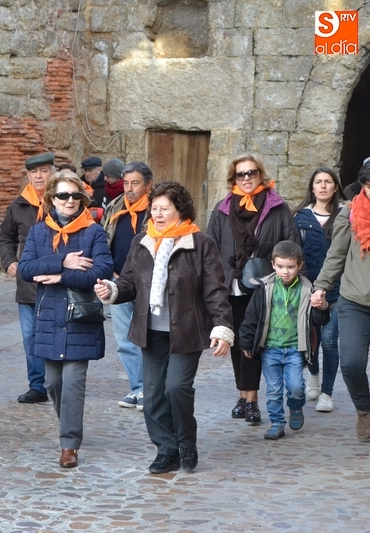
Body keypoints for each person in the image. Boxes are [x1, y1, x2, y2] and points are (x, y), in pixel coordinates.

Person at [95, 181, 233, 473]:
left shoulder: (200, 243)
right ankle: (166, 449)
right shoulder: (142, 242)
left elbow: (215, 291)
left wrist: (222, 326)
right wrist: (112, 289)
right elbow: (129, 282)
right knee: (153, 394)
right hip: (150, 331)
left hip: (187, 331)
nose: (157, 215)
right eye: (154, 209)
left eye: (164, 209)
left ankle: (186, 443)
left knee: (176, 388)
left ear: (180, 210)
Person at [19, 173, 113, 468]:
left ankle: (69, 444)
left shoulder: (93, 232)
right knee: (52, 382)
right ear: (51, 199)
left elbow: (102, 270)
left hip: (80, 318)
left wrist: (61, 276)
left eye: (75, 196)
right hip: (48, 316)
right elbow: (26, 269)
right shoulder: (38, 232)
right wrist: (62, 260)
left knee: (72, 383)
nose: (69, 201)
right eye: (63, 195)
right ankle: (69, 424)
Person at [206, 153, 299, 426]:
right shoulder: (223, 208)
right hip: (231, 285)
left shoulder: (277, 207)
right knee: (236, 342)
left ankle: (252, 400)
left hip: (264, 286)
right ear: (233, 179)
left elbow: (292, 244)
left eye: (251, 173)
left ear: (260, 175)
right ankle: (242, 395)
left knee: (254, 342)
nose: (246, 178)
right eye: (241, 174)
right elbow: (211, 247)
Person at [240, 241, 330, 440]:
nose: (285, 272)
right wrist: (246, 341)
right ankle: (277, 423)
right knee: (273, 390)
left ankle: (296, 406)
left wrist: (322, 306)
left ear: (299, 265)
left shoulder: (307, 289)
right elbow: (252, 316)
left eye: (290, 267)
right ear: (273, 264)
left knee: (296, 387)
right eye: (280, 266)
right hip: (270, 348)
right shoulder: (264, 287)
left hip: (295, 349)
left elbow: (318, 320)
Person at [312, 163, 370, 441]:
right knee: (351, 363)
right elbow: (336, 254)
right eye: (369, 186)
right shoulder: (350, 213)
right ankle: (364, 410)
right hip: (354, 300)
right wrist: (321, 287)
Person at [0, 152, 54, 404]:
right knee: (30, 336)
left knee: (54, 333)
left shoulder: (63, 200)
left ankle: (57, 381)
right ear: (28, 176)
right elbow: (6, 237)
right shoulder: (19, 205)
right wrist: (9, 261)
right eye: (34, 172)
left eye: (44, 171)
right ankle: (37, 385)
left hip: (57, 280)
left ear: (52, 173)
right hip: (28, 283)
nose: (39, 176)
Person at [292, 167, 346, 412]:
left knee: (329, 341)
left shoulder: (345, 216)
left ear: (335, 187)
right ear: (312, 187)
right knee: (311, 339)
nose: (323, 186)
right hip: (307, 288)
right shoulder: (300, 218)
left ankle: (327, 393)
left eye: (328, 182)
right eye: (318, 182)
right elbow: (294, 252)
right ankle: (313, 374)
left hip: (337, 289)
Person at [101, 162, 152, 411]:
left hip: (146, 283)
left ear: (148, 185)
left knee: (145, 338)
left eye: (135, 183)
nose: (130, 189)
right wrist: (108, 269)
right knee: (124, 340)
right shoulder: (115, 206)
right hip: (118, 281)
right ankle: (137, 387)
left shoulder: (156, 209)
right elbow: (104, 238)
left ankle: (150, 389)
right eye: (127, 183)